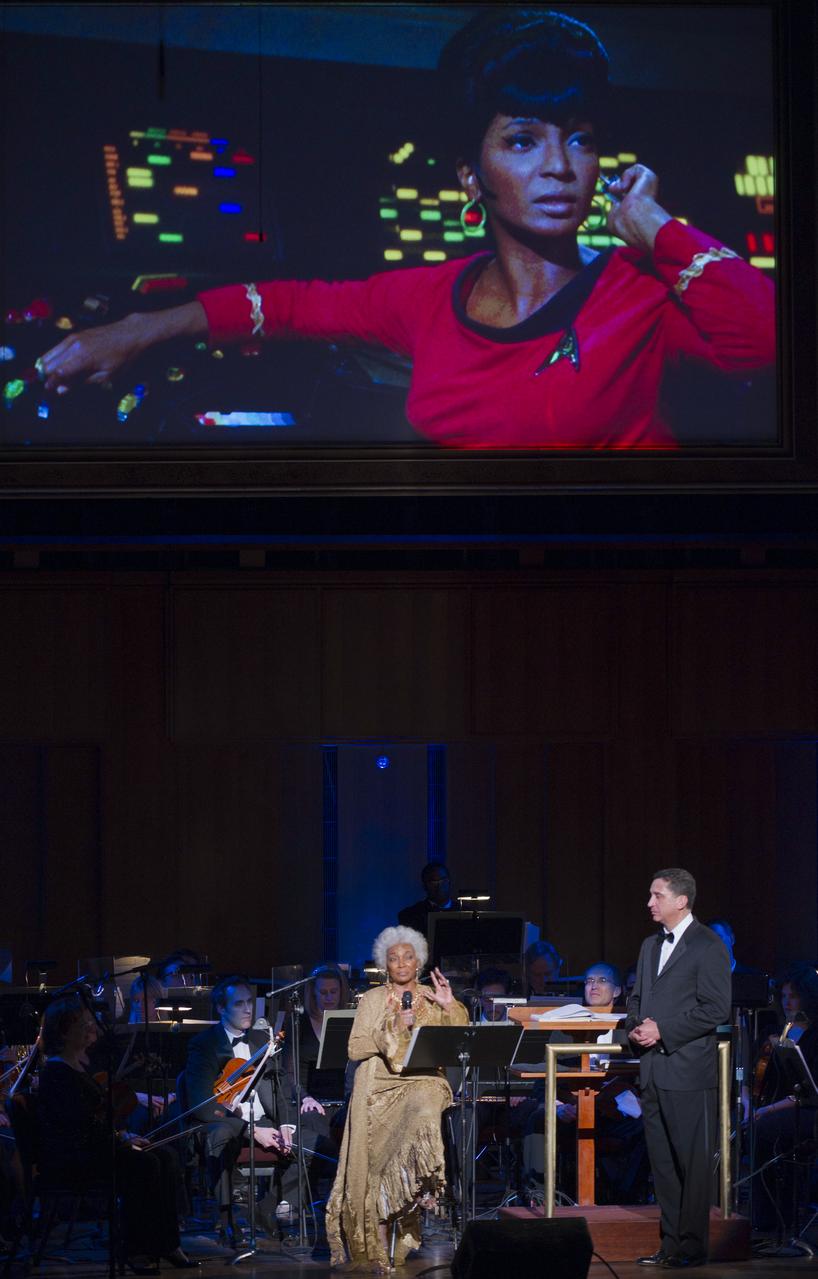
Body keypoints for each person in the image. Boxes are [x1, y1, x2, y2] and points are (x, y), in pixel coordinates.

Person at [33, 8, 775, 450]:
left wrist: (652, 224)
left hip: (616, 592)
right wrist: (134, 330)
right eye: (522, 140)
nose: (559, 166)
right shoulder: (424, 297)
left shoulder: (636, 293)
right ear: (468, 173)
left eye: (578, 137)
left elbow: (766, 337)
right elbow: (286, 302)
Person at [325, 925, 468, 1273]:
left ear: (418, 961)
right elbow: (355, 1047)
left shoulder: (434, 996)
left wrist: (450, 1007)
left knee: (425, 1104)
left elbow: (459, 1042)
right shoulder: (373, 999)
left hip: (422, 1079)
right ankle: (375, 1248)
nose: (401, 963)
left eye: (407, 956)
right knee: (376, 1167)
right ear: (384, 964)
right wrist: (392, 1025)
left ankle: (425, 1179)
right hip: (377, 1087)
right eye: (393, 958)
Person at [35, 995, 198, 1273]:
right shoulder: (56, 1072)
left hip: (93, 1148)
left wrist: (123, 1136)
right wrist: (119, 1140)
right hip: (74, 1158)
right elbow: (77, 1126)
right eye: (83, 1023)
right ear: (64, 1031)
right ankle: (134, 1249)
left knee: (166, 1156)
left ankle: (167, 1243)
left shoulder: (78, 1067)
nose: (91, 1028)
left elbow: (96, 1120)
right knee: (143, 1164)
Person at [625, 868, 731, 1269]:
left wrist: (663, 1030)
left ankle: (691, 1247)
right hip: (653, 1070)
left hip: (687, 1071)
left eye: (657, 896)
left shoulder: (708, 945)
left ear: (681, 900)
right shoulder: (650, 945)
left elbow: (716, 1008)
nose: (650, 903)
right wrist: (637, 1027)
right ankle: (669, 1245)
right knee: (663, 1165)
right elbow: (636, 998)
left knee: (692, 1164)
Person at [184, 976, 292, 1246]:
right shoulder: (204, 1044)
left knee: (310, 1143)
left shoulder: (261, 1040)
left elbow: (280, 1089)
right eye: (238, 1004)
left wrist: (286, 1126)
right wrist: (252, 1131)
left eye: (249, 1003)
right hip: (226, 1122)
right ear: (221, 1008)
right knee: (222, 1135)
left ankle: (263, 1213)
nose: (247, 1010)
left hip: (262, 1120)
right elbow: (202, 1104)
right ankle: (228, 1218)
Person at [750, 962, 818, 1238]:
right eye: (784, 996)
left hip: (808, 1109)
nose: (788, 1002)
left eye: (794, 996)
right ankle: (766, 1218)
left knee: (764, 1131)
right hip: (781, 1106)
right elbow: (749, 1072)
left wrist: (767, 1110)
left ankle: (771, 1220)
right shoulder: (777, 1032)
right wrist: (749, 1101)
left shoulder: (813, 1035)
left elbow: (809, 1091)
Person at [397, 863, 455, 939]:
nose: (439, 886)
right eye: (433, 882)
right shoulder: (410, 916)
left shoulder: (466, 913)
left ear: (449, 882)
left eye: (443, 880)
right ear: (424, 886)